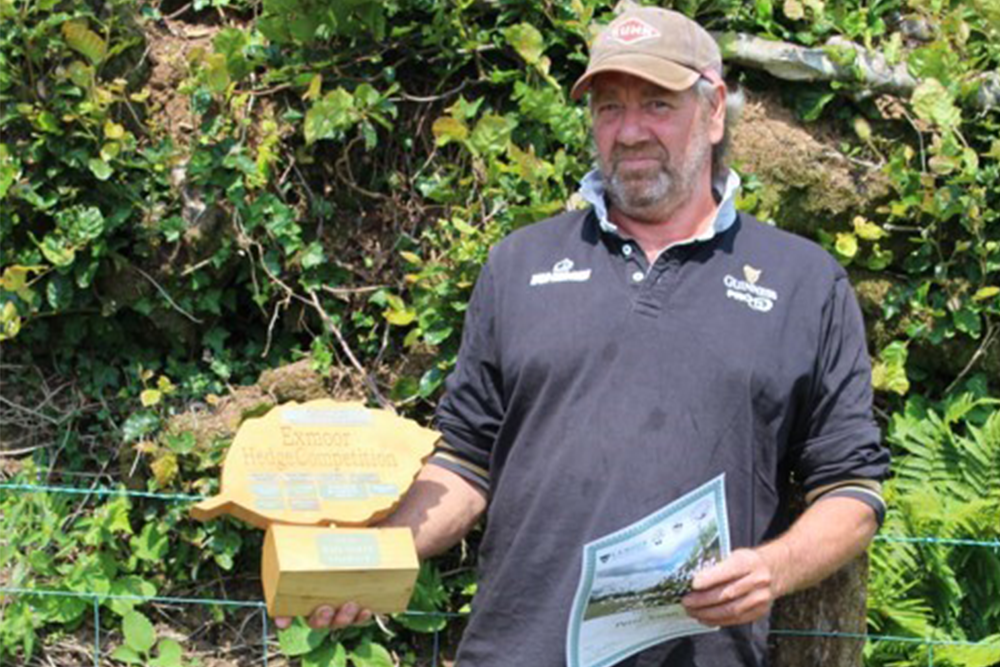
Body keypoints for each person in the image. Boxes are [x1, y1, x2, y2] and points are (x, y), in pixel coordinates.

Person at [277, 6, 890, 666]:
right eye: (607, 107)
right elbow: (465, 462)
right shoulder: (517, 264)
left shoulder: (805, 282)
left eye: (657, 104)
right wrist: (367, 555)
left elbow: (853, 490)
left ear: (713, 110)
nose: (629, 131)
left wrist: (771, 569)